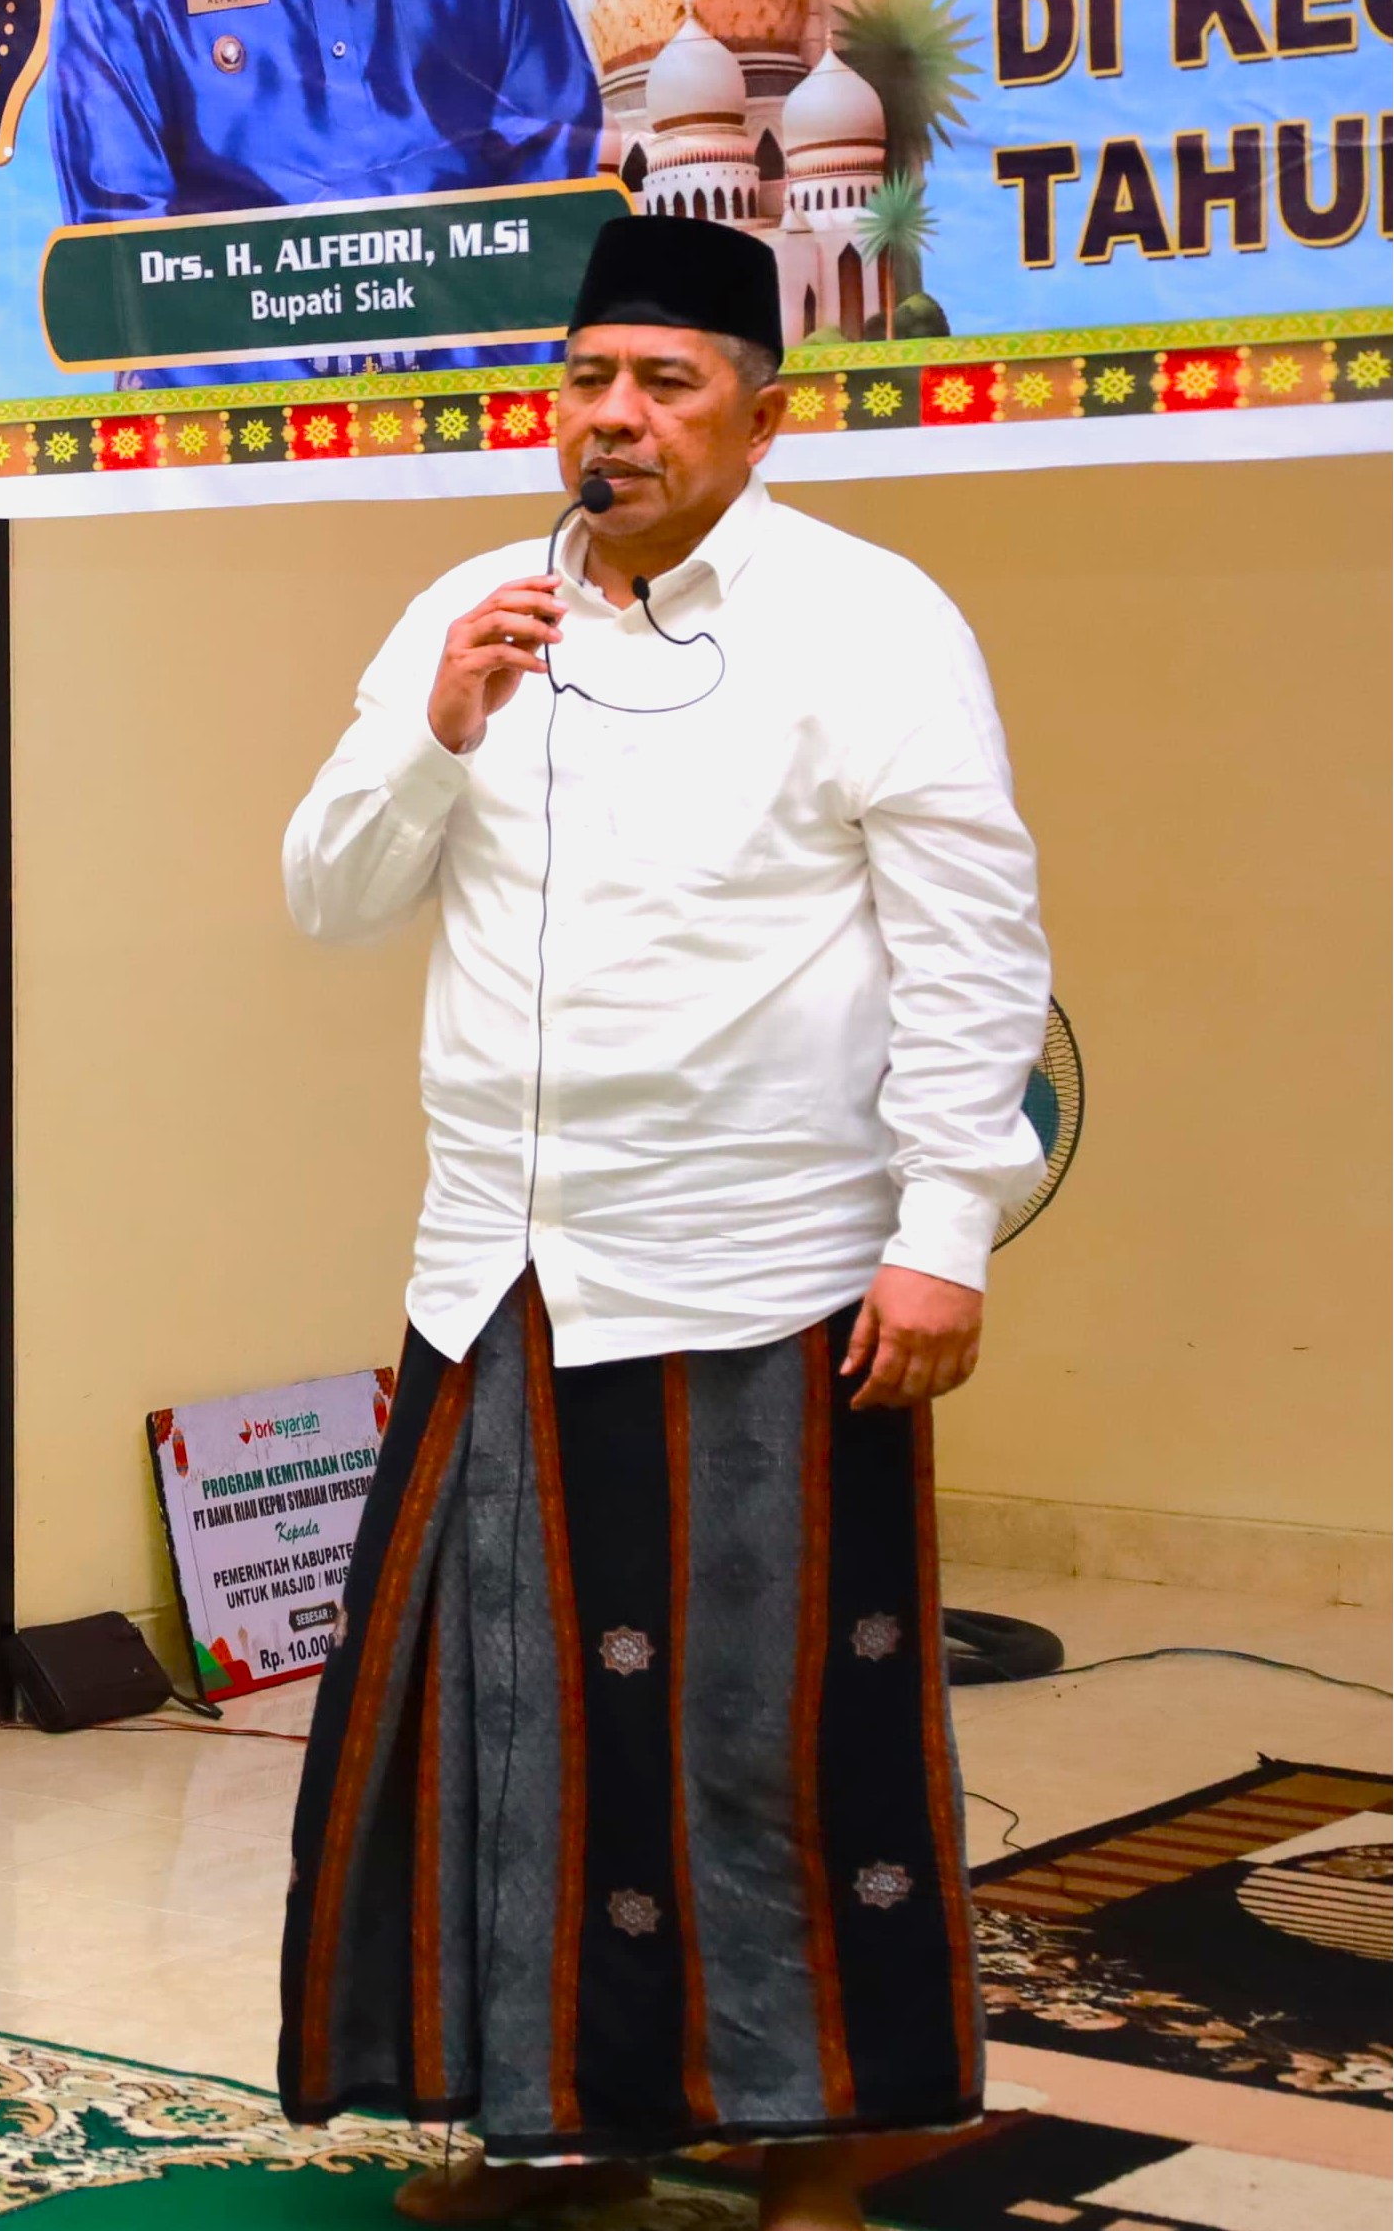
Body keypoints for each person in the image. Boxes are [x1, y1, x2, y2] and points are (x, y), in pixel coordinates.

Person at [273, 217, 1052, 2231]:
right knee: (508, 1719)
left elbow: (972, 952)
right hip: (504, 1274)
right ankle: (561, 2134)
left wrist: (942, 1228)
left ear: (760, 413)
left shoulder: (868, 620)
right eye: (588, 378)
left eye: (665, 383)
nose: (612, 419)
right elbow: (330, 901)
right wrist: (424, 727)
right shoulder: (469, 612)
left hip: (767, 1268)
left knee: (765, 1733)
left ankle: (820, 2149)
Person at [48, 0, 601, 384]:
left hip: (486, 380)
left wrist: (480, 363)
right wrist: (282, 404)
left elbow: (552, 144)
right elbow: (120, 225)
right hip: (236, 420)